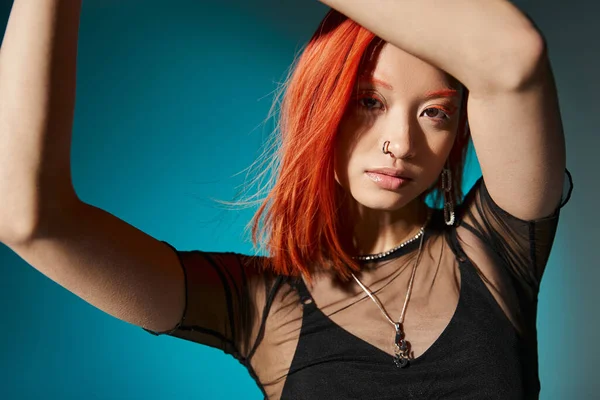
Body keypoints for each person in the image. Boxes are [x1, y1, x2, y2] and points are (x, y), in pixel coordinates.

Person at [0, 0, 573, 399]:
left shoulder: (499, 248)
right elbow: (28, 219)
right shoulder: (257, 306)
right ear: (321, 105)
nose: (401, 143)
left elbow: (513, 56)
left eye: (435, 113)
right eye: (369, 101)